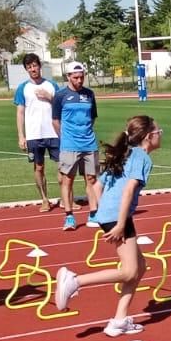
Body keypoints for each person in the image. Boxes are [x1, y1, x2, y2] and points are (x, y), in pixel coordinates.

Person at [53, 115, 163, 333]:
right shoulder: (141, 157)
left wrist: (103, 211)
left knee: (139, 268)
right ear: (149, 137)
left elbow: (97, 187)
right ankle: (74, 281)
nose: (161, 136)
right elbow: (129, 190)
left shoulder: (125, 153)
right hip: (117, 217)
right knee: (130, 271)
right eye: (159, 132)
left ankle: (120, 320)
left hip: (109, 214)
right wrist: (120, 222)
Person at [53, 61, 100, 231]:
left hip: (89, 143)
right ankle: (69, 216)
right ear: (68, 77)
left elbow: (93, 117)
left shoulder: (89, 94)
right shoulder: (60, 96)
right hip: (69, 145)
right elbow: (55, 121)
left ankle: (94, 213)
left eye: (82, 77)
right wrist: (65, 138)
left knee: (92, 179)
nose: (80, 80)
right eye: (76, 77)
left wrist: (85, 131)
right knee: (68, 180)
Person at [14, 54, 59, 211]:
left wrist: (49, 97)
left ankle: (68, 198)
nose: (33, 69)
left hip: (54, 133)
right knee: (39, 167)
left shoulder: (52, 85)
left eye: (35, 65)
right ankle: (44, 199)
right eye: (29, 67)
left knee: (63, 166)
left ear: (40, 66)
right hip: (34, 135)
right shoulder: (23, 88)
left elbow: (61, 106)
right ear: (26, 69)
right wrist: (21, 135)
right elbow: (20, 112)